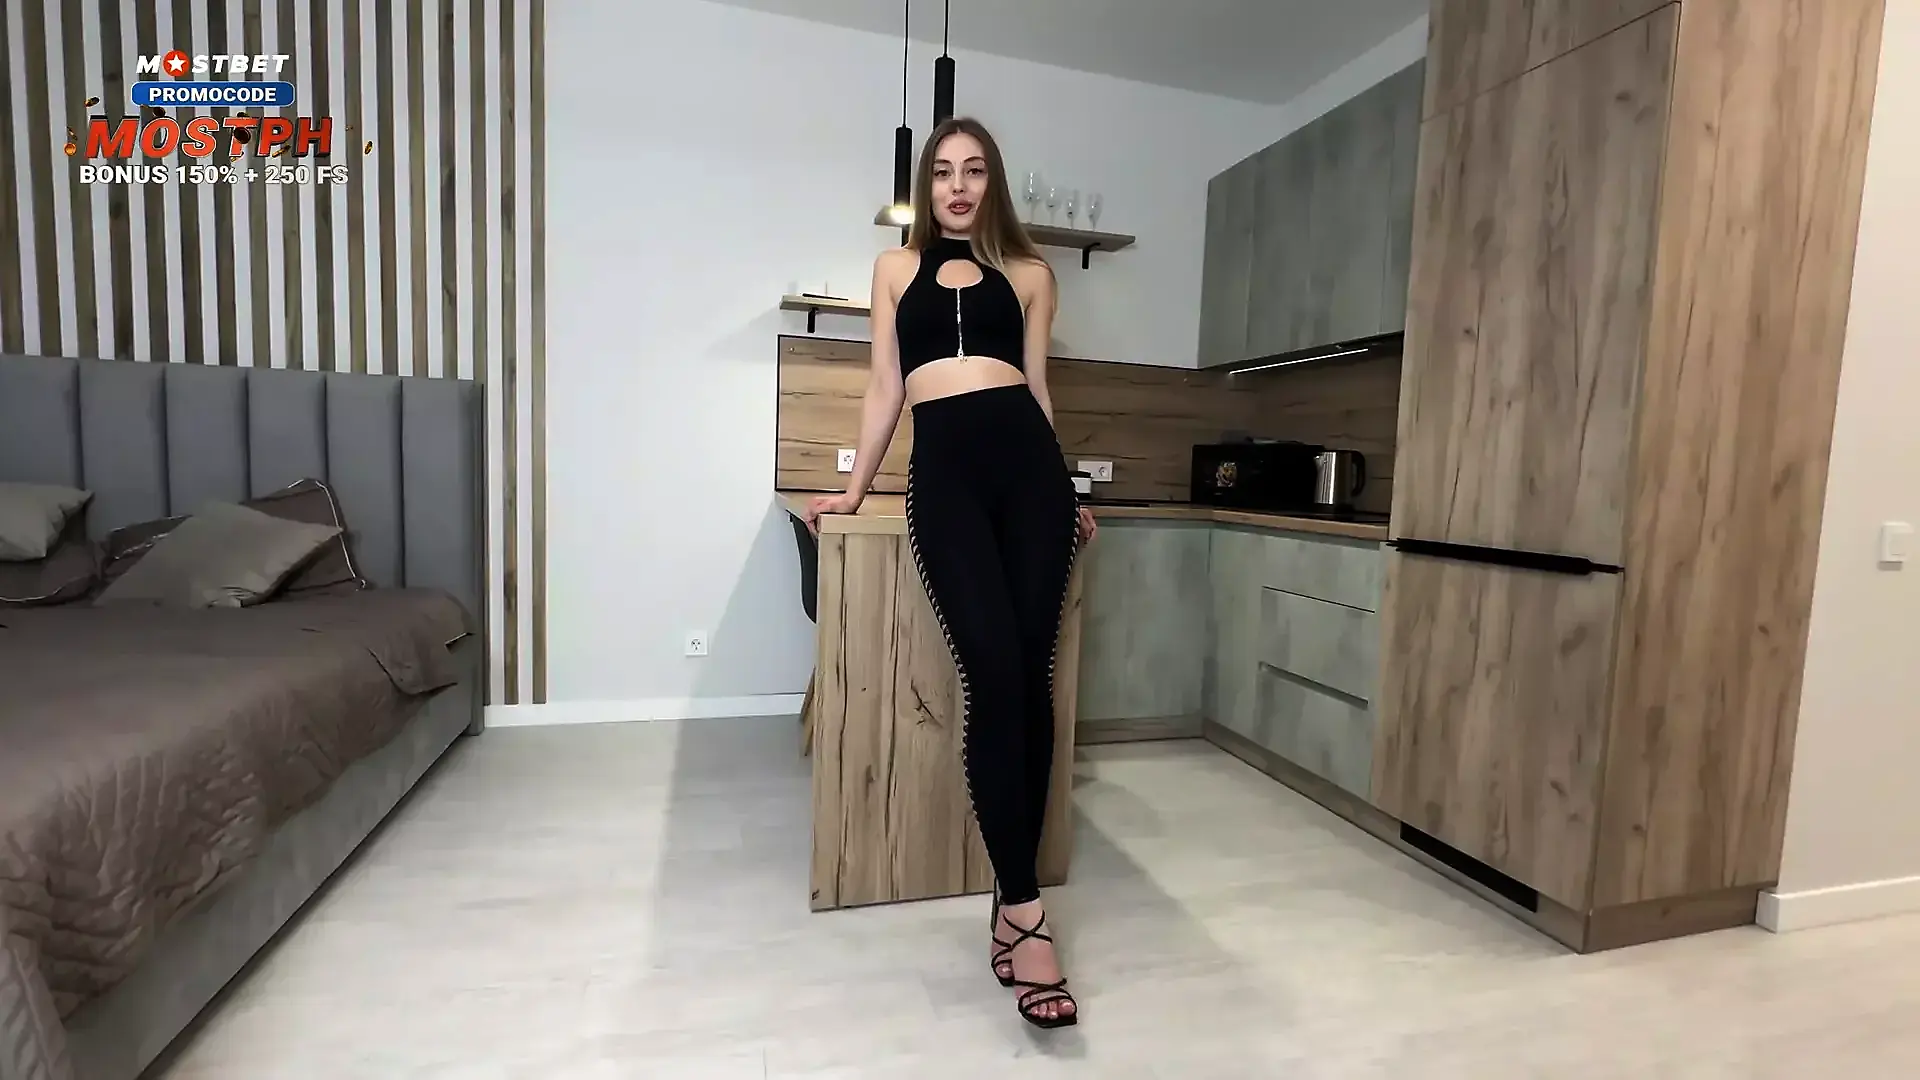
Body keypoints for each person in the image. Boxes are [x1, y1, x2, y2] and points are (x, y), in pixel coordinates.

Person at [802, 115, 1096, 1029]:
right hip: (947, 480)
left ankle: (1014, 906)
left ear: (991, 182)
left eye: (972, 171)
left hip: (1031, 478)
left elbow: (1038, 390)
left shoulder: (1032, 275)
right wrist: (855, 492)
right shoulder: (896, 270)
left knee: (1031, 684)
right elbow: (886, 385)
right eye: (941, 173)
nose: (957, 187)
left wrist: (1066, 488)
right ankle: (1026, 911)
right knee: (995, 674)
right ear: (926, 187)